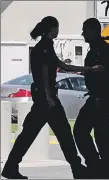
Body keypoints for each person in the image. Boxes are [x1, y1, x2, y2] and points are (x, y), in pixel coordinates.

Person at [1, 16, 103, 179]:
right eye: (57, 28)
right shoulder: (45, 47)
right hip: (47, 101)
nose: (58, 31)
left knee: (28, 134)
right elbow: (44, 71)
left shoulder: (42, 47)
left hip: (42, 100)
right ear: (52, 28)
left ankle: (10, 167)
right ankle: (77, 169)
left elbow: (64, 66)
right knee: (64, 134)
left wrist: (89, 69)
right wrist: (49, 95)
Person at [73, 18, 109, 179]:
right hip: (97, 96)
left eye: (85, 31)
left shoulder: (104, 50)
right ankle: (102, 166)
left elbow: (105, 74)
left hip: (102, 98)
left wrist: (99, 97)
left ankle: (103, 166)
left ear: (93, 31)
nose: (82, 34)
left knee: (91, 131)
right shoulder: (95, 49)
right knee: (99, 132)